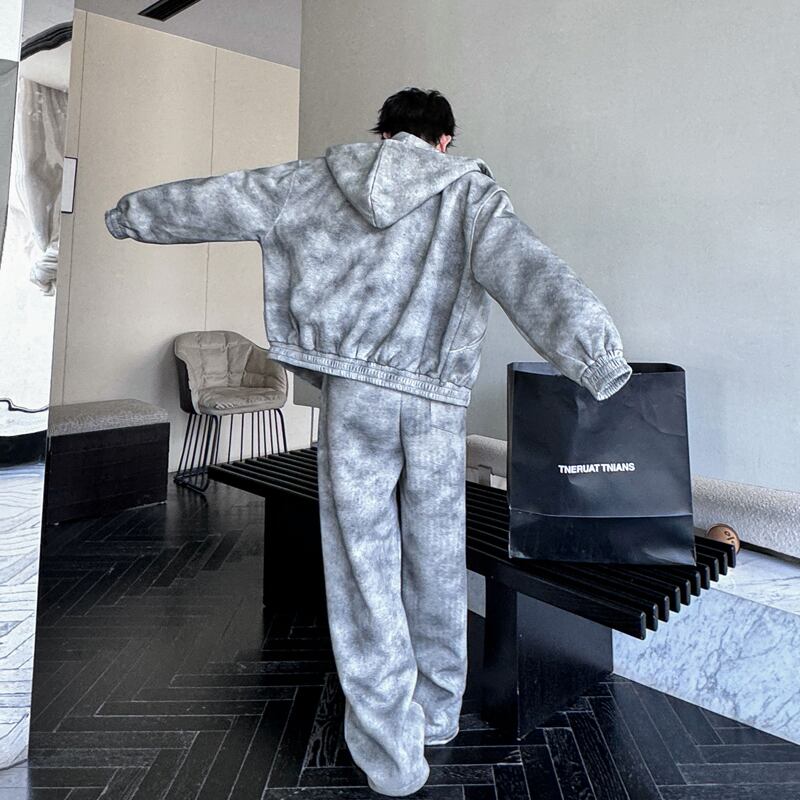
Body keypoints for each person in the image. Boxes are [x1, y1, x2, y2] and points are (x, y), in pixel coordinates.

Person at [104, 87, 632, 797]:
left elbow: (215, 199)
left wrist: (128, 213)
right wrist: (596, 359)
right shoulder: (469, 192)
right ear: (444, 141)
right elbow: (532, 272)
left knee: (363, 565)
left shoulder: (312, 180)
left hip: (355, 398)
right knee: (435, 558)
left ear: (382, 133)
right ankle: (437, 711)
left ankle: (391, 756)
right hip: (436, 404)